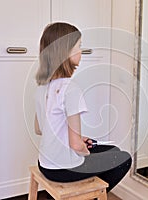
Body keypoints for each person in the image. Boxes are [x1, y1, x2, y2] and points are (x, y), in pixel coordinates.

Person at [34, 22, 132, 192]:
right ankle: (90, 196)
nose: (81, 52)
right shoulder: (70, 89)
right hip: (63, 169)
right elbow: (76, 146)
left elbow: (40, 129)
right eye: (78, 47)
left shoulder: (42, 87)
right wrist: (83, 148)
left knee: (110, 150)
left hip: (45, 164)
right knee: (123, 158)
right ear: (65, 52)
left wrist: (80, 140)